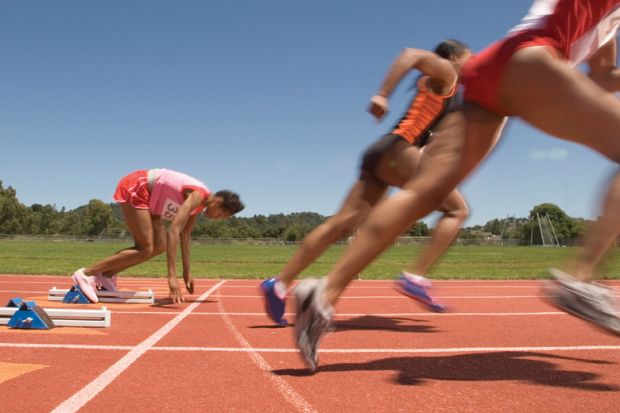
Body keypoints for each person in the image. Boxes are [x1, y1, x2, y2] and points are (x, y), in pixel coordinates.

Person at [294, 0, 620, 372]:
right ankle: (581, 278)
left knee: (424, 192)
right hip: (532, 57)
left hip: (494, 72)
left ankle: (323, 293)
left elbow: (605, 76)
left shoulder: (610, 19)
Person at [260, 40, 472, 326]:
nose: (470, 66)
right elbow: (410, 54)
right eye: (468, 60)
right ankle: (416, 277)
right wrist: (382, 95)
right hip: (400, 149)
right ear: (455, 57)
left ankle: (279, 283)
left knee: (343, 222)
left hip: (382, 152)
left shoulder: (441, 87)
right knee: (456, 210)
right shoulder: (447, 71)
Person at [71, 168, 244, 303]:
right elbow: (174, 230)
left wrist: (187, 272)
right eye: (220, 215)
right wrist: (171, 277)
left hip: (153, 205)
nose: (216, 219)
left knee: (159, 247)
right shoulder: (198, 195)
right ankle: (86, 273)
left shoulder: (198, 206)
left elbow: (185, 235)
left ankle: (105, 275)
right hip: (137, 186)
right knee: (145, 248)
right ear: (218, 202)